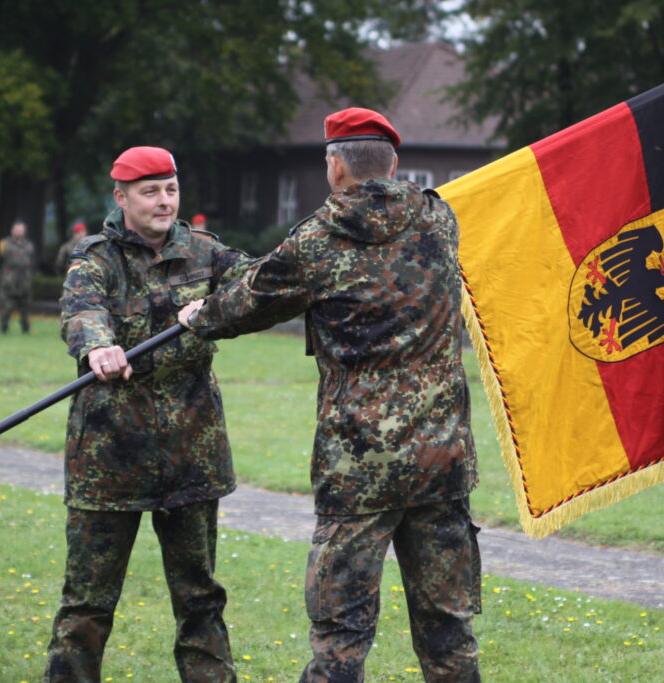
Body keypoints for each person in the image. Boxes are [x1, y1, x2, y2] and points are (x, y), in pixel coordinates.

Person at [179, 107, 482, 681]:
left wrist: (200, 316)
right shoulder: (441, 221)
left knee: (341, 637)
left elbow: (248, 301)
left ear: (334, 166)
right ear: (393, 163)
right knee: (450, 631)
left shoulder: (318, 241)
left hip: (358, 464)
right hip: (441, 458)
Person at [44, 145, 252, 682]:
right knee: (86, 604)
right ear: (121, 197)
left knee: (200, 598)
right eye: (150, 191)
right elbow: (82, 310)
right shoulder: (94, 258)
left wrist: (218, 309)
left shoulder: (205, 251)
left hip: (192, 453)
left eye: (171, 189)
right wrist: (98, 347)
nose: (165, 201)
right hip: (110, 454)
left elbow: (262, 286)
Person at [0, 218, 35, 333]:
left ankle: (26, 329)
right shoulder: (4, 244)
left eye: (21, 230)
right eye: (17, 229)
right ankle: (3, 328)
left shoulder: (28, 245)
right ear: (12, 230)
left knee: (25, 308)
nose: (19, 232)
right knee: (6, 307)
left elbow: (32, 261)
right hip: (9, 282)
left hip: (24, 282)